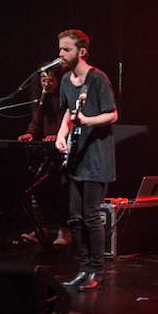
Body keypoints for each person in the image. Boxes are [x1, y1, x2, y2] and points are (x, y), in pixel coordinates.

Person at [54, 30, 118, 291]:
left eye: (66, 50)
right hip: (77, 158)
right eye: (59, 49)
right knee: (74, 217)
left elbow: (112, 114)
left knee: (91, 216)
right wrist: (61, 135)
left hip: (97, 156)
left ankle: (96, 271)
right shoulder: (67, 81)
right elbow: (69, 112)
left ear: (81, 51)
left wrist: (87, 121)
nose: (60, 54)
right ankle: (83, 269)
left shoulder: (98, 78)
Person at [18, 65, 71, 247]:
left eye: (50, 80)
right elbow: (36, 122)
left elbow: (69, 120)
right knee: (40, 187)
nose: (46, 84)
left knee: (62, 190)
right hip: (48, 152)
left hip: (64, 150)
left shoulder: (64, 99)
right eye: (43, 80)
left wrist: (59, 136)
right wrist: (30, 133)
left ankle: (65, 231)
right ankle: (43, 229)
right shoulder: (41, 99)